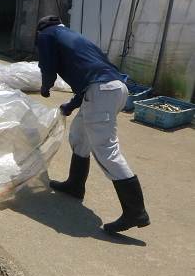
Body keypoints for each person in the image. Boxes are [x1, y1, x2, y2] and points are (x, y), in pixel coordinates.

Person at [36, 15, 150, 234]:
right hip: (111, 88)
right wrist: (71, 105)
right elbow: (91, 80)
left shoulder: (47, 35)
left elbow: (47, 65)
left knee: (107, 150)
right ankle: (75, 185)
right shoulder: (71, 36)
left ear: (41, 29)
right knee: (79, 136)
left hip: (101, 91)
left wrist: (46, 86)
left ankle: (136, 211)